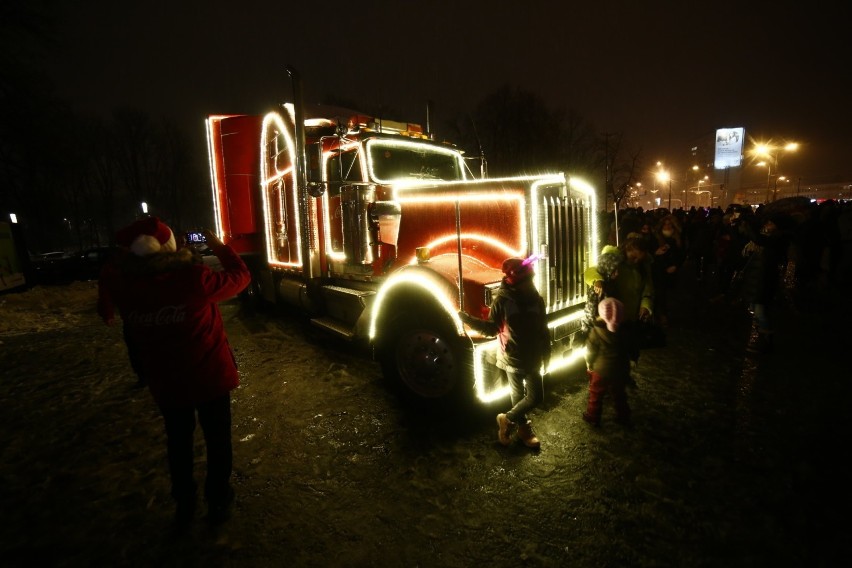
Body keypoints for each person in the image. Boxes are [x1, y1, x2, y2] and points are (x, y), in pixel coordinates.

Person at [107, 217, 250, 528]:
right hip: (209, 378)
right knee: (217, 441)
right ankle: (218, 499)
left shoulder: (127, 289)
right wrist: (219, 248)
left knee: (179, 444)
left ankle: (184, 504)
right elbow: (240, 277)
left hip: (167, 383)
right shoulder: (193, 279)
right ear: (170, 246)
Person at [460, 256, 550, 449]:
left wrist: (546, 353)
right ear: (515, 282)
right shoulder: (502, 301)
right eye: (527, 280)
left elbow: (543, 328)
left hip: (533, 357)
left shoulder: (536, 299)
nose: (531, 283)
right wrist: (468, 320)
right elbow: (492, 329)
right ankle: (523, 429)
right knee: (518, 397)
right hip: (512, 357)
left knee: (536, 397)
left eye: (531, 279)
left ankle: (506, 419)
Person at [738, 213, 790, 354]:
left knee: (761, 312)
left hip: (765, 280)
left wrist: (749, 224)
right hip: (756, 279)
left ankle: (767, 340)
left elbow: (759, 239)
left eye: (770, 223)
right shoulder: (764, 240)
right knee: (756, 310)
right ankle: (761, 336)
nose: (767, 225)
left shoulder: (776, 240)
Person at [582, 297, 631, 427]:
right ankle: (623, 416)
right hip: (620, 369)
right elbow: (629, 349)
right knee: (619, 394)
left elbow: (590, 350)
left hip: (601, 371)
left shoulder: (596, 331)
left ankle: (593, 416)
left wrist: (589, 363)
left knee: (596, 394)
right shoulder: (625, 331)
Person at [579, 246, 623, 339]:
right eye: (614, 270)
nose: (617, 273)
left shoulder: (610, 283)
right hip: (599, 330)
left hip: (606, 328)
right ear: (607, 268)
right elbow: (591, 310)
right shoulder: (599, 287)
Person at [650, 214, 685, 327]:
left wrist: (676, 265)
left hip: (672, 270)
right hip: (658, 269)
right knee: (659, 292)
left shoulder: (678, 237)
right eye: (665, 224)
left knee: (670, 293)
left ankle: (666, 313)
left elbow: (682, 253)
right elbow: (649, 252)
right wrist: (656, 253)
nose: (667, 226)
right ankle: (661, 315)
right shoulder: (656, 237)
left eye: (670, 224)